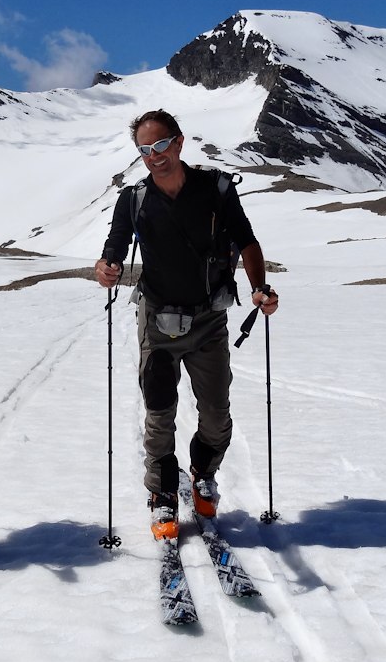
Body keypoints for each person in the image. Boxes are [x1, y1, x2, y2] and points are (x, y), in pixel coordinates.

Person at [94, 109, 279, 541]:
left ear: (178, 143)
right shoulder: (134, 199)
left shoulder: (215, 190)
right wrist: (108, 267)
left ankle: (202, 472)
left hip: (208, 319)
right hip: (158, 320)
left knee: (215, 412)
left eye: (160, 145)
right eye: (144, 149)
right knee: (160, 412)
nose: (153, 156)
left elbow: (246, 240)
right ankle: (161, 495)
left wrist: (259, 288)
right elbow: (115, 246)